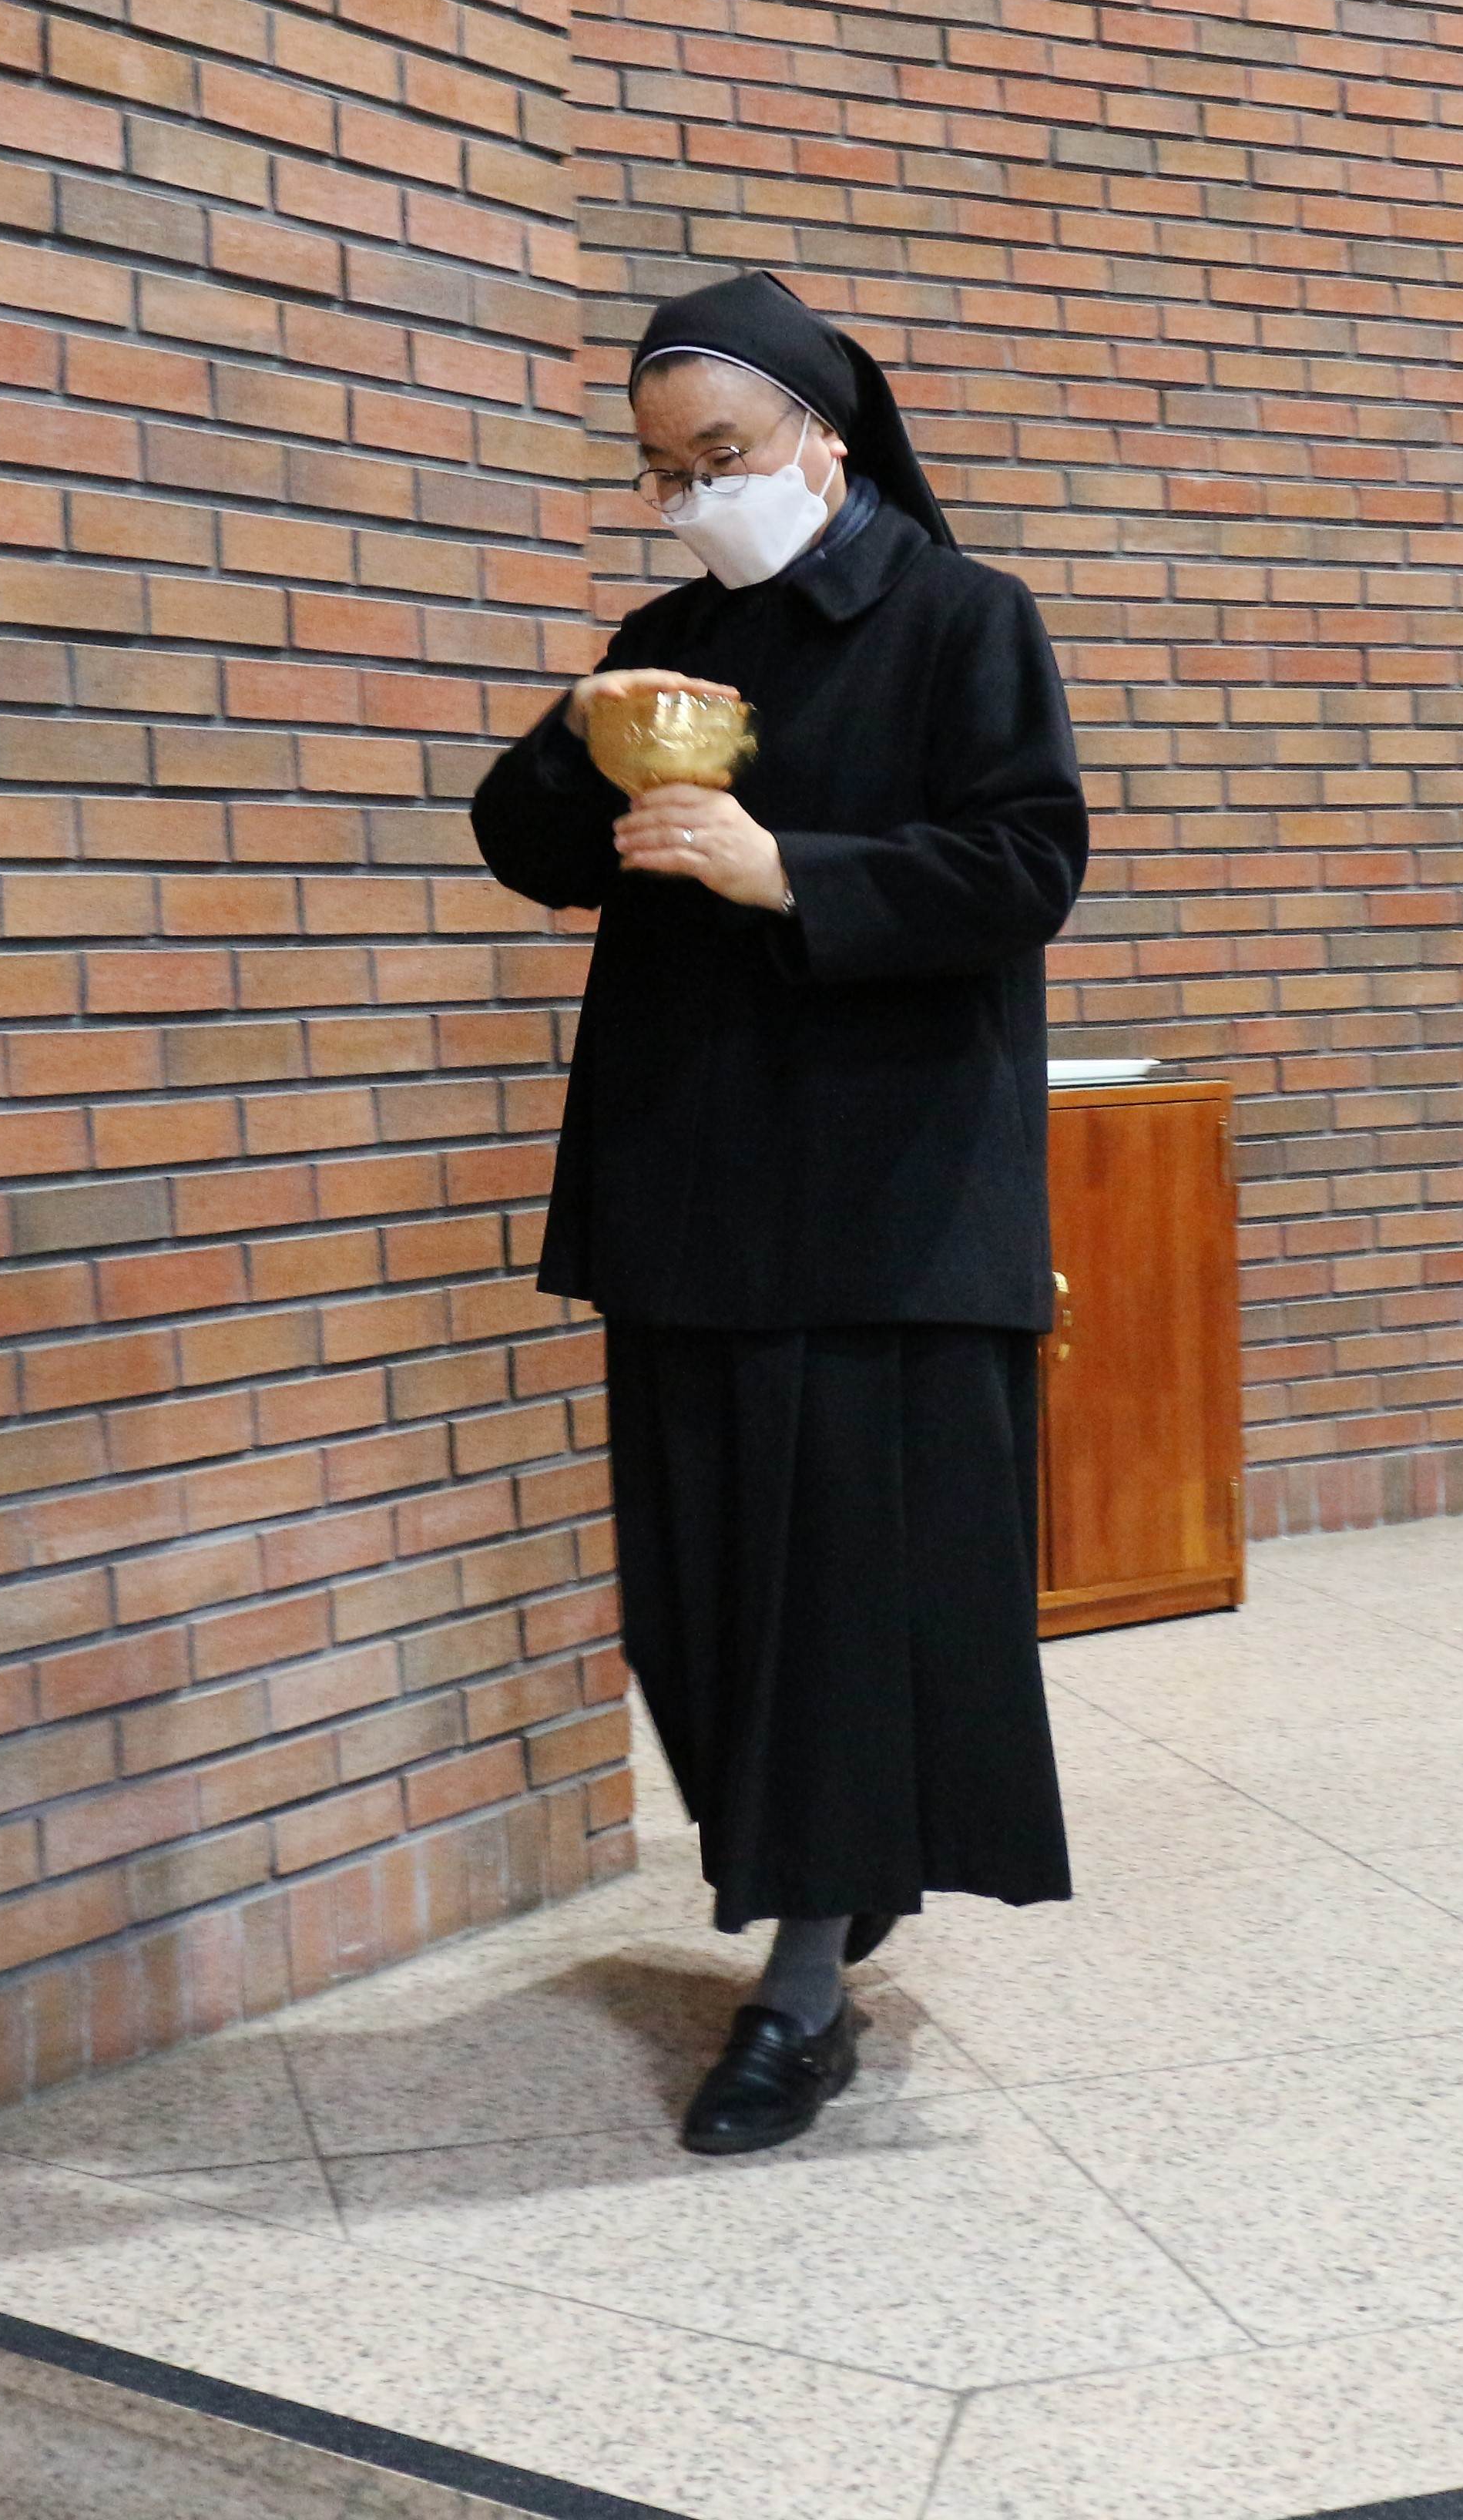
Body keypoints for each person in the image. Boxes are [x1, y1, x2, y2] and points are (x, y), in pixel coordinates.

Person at [471, 271, 1090, 2155]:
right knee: (701, 1599)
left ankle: (802, 1981)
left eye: (721, 455)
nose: (693, 497)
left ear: (822, 431)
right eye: (663, 472)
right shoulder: (666, 642)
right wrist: (576, 736)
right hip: (685, 1190)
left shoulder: (963, 619)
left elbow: (1025, 862)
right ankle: (826, 1870)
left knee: (836, 1602)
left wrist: (781, 868)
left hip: (875, 1202)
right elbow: (526, 848)